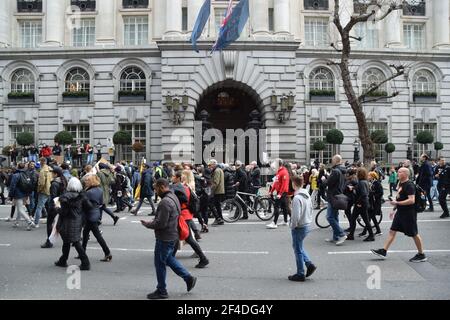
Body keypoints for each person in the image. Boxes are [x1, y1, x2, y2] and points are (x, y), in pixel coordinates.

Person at [140, 178, 197, 299]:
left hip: (165, 236)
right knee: (168, 258)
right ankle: (188, 278)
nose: (155, 192)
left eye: (156, 189)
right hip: (172, 234)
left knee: (160, 263)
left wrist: (147, 224)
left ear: (161, 187)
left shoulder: (165, 202)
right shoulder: (173, 196)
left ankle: (162, 290)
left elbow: (161, 223)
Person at [371, 167, 427, 262]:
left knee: (414, 234)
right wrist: (394, 209)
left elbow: (411, 200)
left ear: (406, 174)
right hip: (400, 212)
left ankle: (421, 254)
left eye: (400, 172)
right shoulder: (401, 183)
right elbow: (399, 198)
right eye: (398, 171)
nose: (398, 173)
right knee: (392, 231)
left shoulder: (409, 185)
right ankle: (383, 251)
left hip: (409, 213)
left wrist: (397, 203)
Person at [171, 170, 209, 268]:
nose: (172, 177)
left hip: (183, 215)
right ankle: (170, 257)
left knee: (188, 238)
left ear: (179, 178)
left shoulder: (177, 188)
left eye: (173, 176)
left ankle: (203, 258)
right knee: (178, 236)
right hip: (186, 214)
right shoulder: (186, 187)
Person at [54, 177, 92, 270]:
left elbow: (64, 212)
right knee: (70, 241)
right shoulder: (82, 196)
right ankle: (63, 259)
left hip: (67, 221)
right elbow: (89, 206)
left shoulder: (65, 197)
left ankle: (85, 262)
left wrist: (57, 208)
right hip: (78, 220)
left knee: (73, 241)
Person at [289, 175, 316, 282]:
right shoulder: (306, 194)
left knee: (298, 250)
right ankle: (309, 264)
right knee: (298, 246)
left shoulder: (297, 198)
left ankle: (300, 273)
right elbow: (311, 208)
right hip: (306, 224)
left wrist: (293, 225)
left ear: (294, 184)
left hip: (299, 226)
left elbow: (296, 215)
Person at [82, 174, 112, 262]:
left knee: (97, 235)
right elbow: (101, 202)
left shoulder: (88, 192)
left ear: (91, 182)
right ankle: (82, 252)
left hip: (89, 215)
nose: (85, 181)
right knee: (85, 233)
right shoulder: (99, 190)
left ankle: (107, 253)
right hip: (95, 213)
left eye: (87, 180)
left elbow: (84, 204)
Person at [323, 155, 347, 245]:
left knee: (329, 217)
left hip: (333, 196)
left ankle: (341, 234)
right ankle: (335, 237)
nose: (331, 161)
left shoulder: (336, 171)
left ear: (336, 161)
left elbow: (328, 182)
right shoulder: (342, 170)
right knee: (335, 216)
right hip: (338, 194)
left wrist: (324, 179)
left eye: (332, 160)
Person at [41, 166, 67, 248]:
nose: (51, 174)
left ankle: (49, 242)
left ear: (56, 174)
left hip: (55, 206)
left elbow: (53, 197)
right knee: (61, 224)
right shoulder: (64, 180)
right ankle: (71, 240)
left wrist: (51, 207)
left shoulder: (55, 183)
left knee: (50, 224)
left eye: (52, 173)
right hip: (62, 204)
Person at [346, 168, 374, 242]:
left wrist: (358, 203)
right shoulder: (364, 182)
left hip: (361, 204)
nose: (356, 174)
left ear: (359, 174)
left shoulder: (361, 182)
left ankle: (371, 235)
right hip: (362, 203)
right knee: (357, 219)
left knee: (362, 220)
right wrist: (353, 188)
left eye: (357, 173)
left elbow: (363, 194)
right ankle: (351, 235)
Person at [9, 163, 35, 230]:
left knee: (20, 209)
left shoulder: (15, 175)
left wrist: (10, 195)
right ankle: (17, 222)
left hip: (18, 194)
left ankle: (29, 222)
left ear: (18, 167)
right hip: (25, 193)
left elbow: (12, 186)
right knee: (19, 208)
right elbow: (30, 185)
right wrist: (28, 194)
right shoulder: (27, 174)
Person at [267, 158, 290, 229]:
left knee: (277, 207)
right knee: (284, 207)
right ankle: (285, 221)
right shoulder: (279, 172)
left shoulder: (284, 172)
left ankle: (274, 223)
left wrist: (280, 194)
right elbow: (275, 183)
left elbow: (284, 184)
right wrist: (271, 191)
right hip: (281, 192)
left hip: (282, 192)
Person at [34, 158, 53, 227]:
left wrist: (39, 190)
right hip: (51, 189)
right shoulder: (50, 169)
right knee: (51, 206)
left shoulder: (42, 171)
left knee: (39, 207)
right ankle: (52, 220)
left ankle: (36, 222)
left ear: (42, 162)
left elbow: (41, 183)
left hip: (44, 190)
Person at [208, 159, 225, 225]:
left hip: (217, 191)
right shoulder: (219, 169)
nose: (210, 166)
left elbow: (216, 182)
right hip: (219, 190)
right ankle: (220, 218)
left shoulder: (217, 171)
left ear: (214, 164)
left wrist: (211, 191)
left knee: (212, 204)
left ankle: (218, 218)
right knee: (217, 205)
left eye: (210, 165)